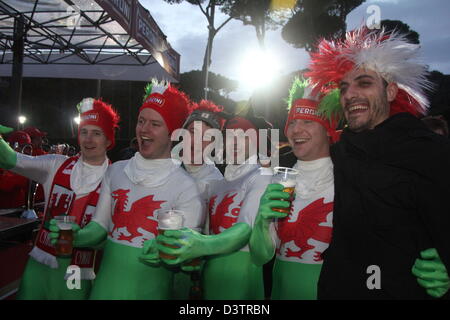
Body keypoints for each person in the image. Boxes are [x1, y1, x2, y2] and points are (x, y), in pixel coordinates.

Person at [305, 26, 450, 299]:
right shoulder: (339, 153)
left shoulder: (431, 152)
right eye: (344, 87)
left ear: (391, 91)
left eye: (364, 83)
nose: (350, 95)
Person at [51, 79, 204, 299]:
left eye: (155, 124)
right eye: (141, 121)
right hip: (103, 291)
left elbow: (187, 255)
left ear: (173, 133)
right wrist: (77, 236)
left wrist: (184, 256)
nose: (144, 129)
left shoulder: (186, 187)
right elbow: (100, 227)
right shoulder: (116, 172)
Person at [0, 98, 120, 300]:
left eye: (97, 133)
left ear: (109, 140)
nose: (89, 139)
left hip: (78, 272)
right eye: (84, 132)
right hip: (40, 264)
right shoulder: (56, 164)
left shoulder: (117, 178)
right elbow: (12, 160)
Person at [157, 109, 273, 300]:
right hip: (197, 278)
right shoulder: (217, 184)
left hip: (237, 281)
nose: (195, 141)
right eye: (192, 132)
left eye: (206, 136)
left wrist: (200, 247)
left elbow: (246, 231)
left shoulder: (256, 177)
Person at [250, 78, 341, 299]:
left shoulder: (346, 181)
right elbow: (261, 257)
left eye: (307, 122)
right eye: (292, 122)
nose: (296, 130)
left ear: (328, 129)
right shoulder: (279, 179)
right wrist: (262, 221)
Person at [0, 131, 32, 209]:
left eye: (28, 147)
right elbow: (5, 185)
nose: (27, 151)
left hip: (19, 208)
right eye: (23, 147)